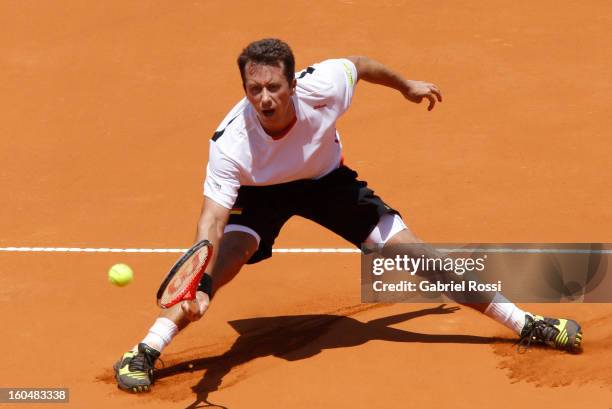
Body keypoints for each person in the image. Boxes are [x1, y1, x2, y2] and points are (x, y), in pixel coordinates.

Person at [113, 38, 583, 393]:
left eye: (273, 86)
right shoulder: (231, 144)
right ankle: (147, 348)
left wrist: (405, 85)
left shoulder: (325, 86)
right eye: (253, 89)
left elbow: (359, 65)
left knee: (417, 257)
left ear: (293, 83)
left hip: (327, 184)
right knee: (227, 255)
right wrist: (199, 276)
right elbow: (212, 221)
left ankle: (526, 323)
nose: (264, 99)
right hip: (261, 195)